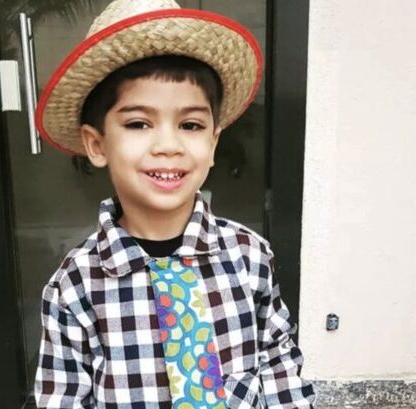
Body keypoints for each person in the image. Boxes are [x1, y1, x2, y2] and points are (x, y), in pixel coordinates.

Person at [33, 0, 316, 408]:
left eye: (190, 125)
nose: (168, 145)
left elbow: (277, 368)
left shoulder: (249, 257)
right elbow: (62, 399)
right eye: (138, 123)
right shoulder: (75, 286)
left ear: (213, 143)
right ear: (97, 144)